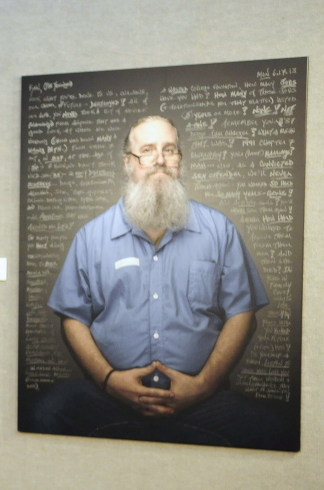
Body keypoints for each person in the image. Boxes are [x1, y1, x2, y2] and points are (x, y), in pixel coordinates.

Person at [28, 115, 295, 450]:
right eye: (147, 150)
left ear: (179, 161)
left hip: (201, 401)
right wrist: (111, 382)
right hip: (109, 398)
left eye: (169, 150)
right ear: (128, 163)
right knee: (47, 412)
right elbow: (73, 318)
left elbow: (242, 313)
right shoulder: (91, 237)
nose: (159, 159)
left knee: (275, 429)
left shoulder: (219, 230)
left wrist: (202, 385)